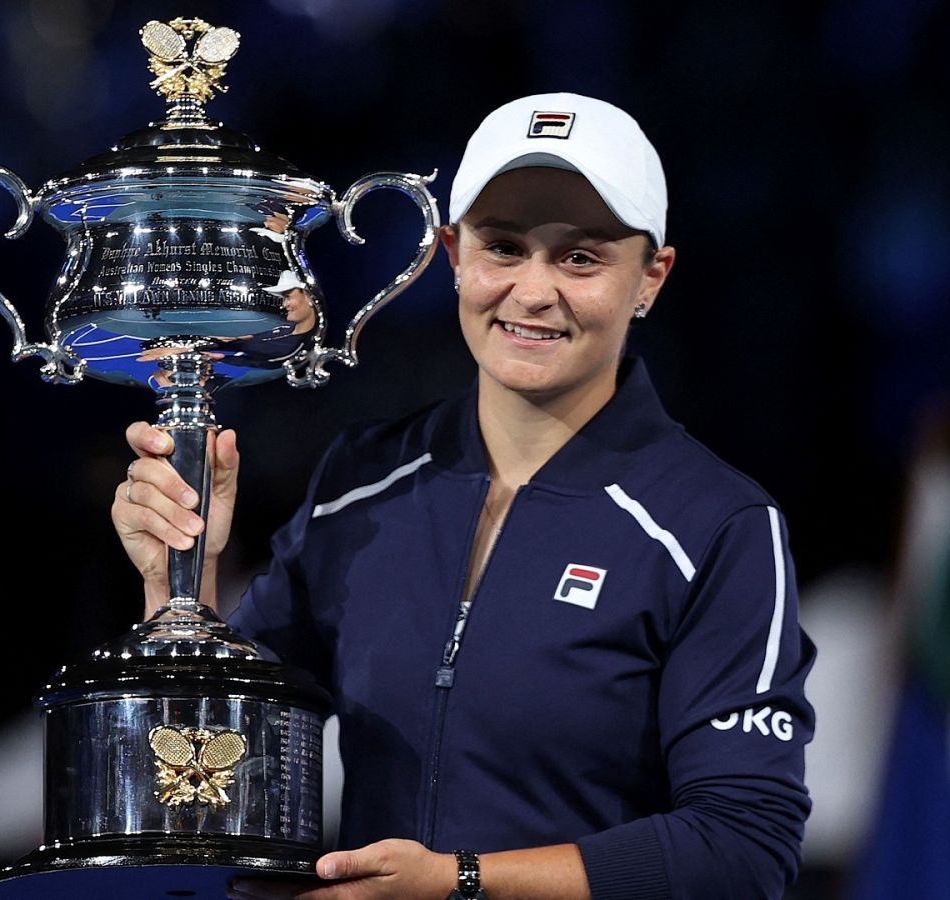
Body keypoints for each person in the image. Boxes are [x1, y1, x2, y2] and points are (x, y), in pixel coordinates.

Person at [112, 92, 816, 900]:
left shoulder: (717, 526)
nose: (532, 291)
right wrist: (179, 579)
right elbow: (217, 777)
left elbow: (742, 846)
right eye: (504, 247)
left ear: (651, 277)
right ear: (452, 255)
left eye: (580, 257)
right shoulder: (360, 484)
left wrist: (462, 883)